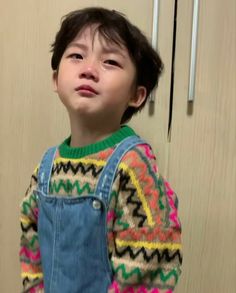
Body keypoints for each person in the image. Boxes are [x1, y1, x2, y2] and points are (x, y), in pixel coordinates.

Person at [19, 7, 182, 293]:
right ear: (56, 80)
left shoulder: (134, 166)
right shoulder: (46, 169)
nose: (89, 69)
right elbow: (32, 252)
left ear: (137, 95)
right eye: (77, 56)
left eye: (110, 61)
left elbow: (151, 263)